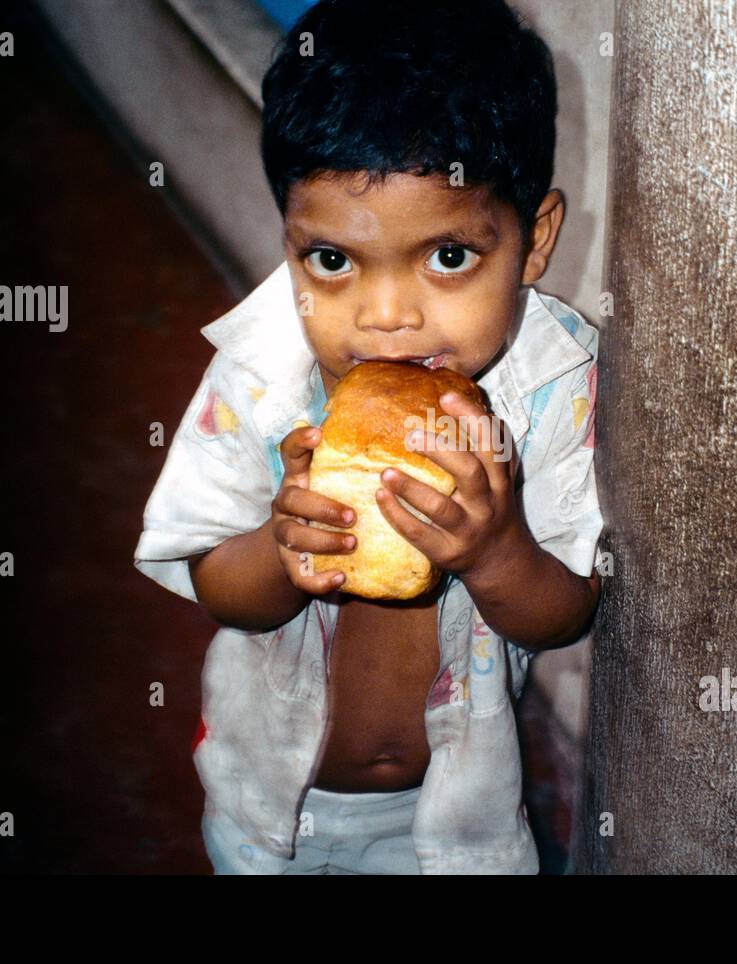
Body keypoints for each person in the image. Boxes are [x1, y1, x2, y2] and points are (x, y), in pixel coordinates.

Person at [134, 0, 604, 874]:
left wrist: (496, 551)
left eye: (450, 257)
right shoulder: (261, 376)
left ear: (533, 242)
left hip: (456, 824)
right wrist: (281, 551)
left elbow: (568, 612)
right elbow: (213, 583)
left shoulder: (552, 391)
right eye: (333, 260)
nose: (385, 318)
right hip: (271, 807)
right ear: (289, 242)